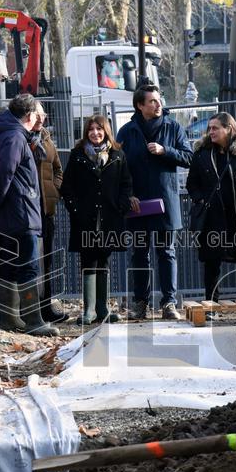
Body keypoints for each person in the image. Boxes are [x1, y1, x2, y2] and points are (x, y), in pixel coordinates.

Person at [116, 84, 193, 320]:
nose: (158, 104)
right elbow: (118, 166)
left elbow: (189, 157)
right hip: (137, 203)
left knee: (166, 252)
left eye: (159, 100)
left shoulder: (174, 127)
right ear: (140, 106)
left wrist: (165, 150)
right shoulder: (127, 132)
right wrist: (128, 196)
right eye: (152, 101)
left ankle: (169, 303)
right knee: (139, 254)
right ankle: (140, 303)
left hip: (165, 202)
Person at [0, 93, 58, 337]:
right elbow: (4, 173)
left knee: (8, 267)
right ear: (29, 115)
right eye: (37, 113)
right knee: (28, 268)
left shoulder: (5, 134)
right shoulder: (16, 137)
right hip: (20, 214)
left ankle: (10, 319)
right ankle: (33, 320)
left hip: (10, 214)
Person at [61, 115, 139, 324]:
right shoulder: (77, 155)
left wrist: (121, 206)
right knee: (88, 260)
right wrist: (75, 209)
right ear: (86, 132)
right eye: (91, 130)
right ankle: (89, 310)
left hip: (109, 217)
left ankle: (103, 309)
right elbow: (67, 187)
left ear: (106, 131)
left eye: (99, 129)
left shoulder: (117, 154)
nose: (95, 133)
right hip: (85, 218)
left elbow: (126, 184)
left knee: (104, 260)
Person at [186, 113, 236, 303]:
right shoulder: (202, 153)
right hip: (212, 220)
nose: (210, 132)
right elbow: (191, 184)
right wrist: (201, 200)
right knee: (212, 264)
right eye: (209, 129)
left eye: (215, 128)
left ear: (228, 128)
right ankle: (211, 304)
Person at [29, 102, 69, 324]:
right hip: (28, 210)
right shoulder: (22, 138)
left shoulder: (46, 139)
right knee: (30, 262)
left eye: (42, 113)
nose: (40, 118)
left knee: (47, 261)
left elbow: (58, 169)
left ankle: (46, 306)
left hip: (46, 210)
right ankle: (31, 308)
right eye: (36, 113)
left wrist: (54, 189)